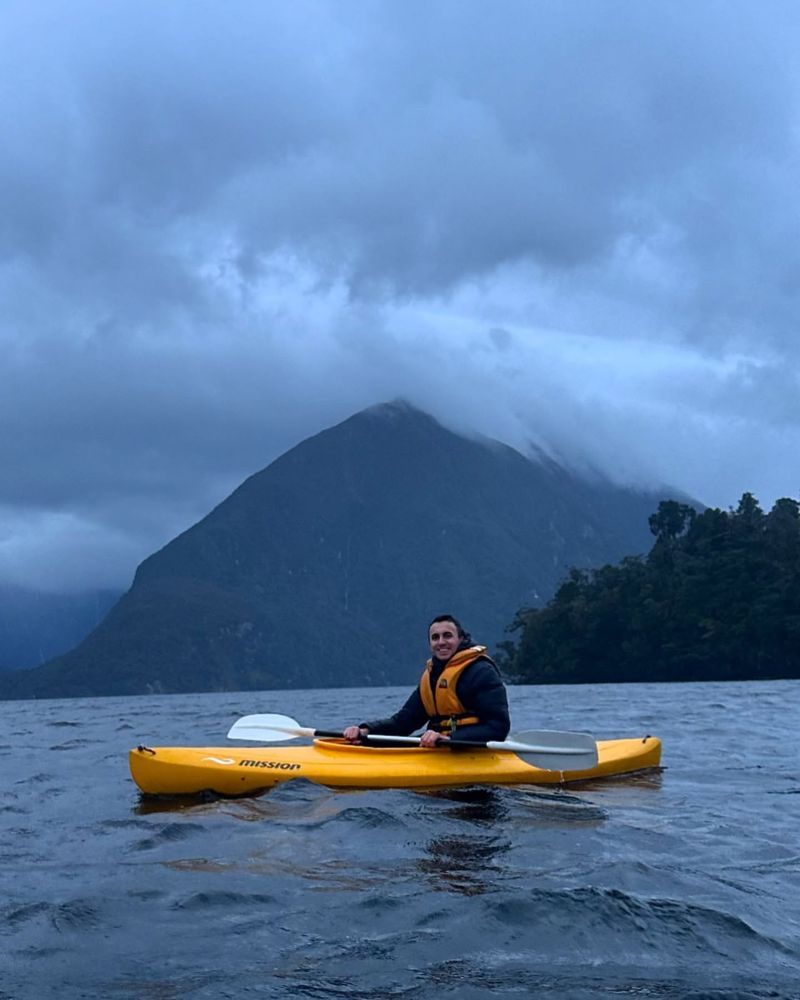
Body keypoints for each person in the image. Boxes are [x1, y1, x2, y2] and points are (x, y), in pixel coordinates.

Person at [343, 614, 510, 747]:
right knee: (373, 742)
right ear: (430, 644)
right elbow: (404, 722)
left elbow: (498, 727)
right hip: (437, 746)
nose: (441, 642)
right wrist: (366, 731)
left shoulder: (482, 672)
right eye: (435, 638)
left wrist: (450, 738)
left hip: (468, 747)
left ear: (460, 639)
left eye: (447, 636)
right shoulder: (431, 677)